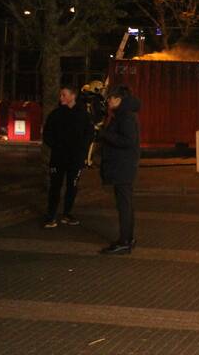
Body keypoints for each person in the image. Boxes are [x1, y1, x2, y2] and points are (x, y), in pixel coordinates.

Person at [98, 84, 141, 255]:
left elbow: (127, 141)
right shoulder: (124, 115)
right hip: (124, 166)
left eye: (110, 98)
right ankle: (127, 238)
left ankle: (124, 241)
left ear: (119, 100)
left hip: (122, 166)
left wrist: (104, 134)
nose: (108, 101)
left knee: (124, 205)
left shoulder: (125, 117)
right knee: (126, 204)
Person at [41, 86, 92, 228]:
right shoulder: (56, 114)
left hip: (75, 159)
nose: (61, 98)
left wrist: (81, 151)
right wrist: (57, 147)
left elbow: (89, 134)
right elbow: (47, 134)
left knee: (72, 186)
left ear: (73, 96)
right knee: (55, 186)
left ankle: (67, 213)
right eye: (60, 95)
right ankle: (51, 215)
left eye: (64, 95)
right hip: (58, 157)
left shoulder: (83, 115)